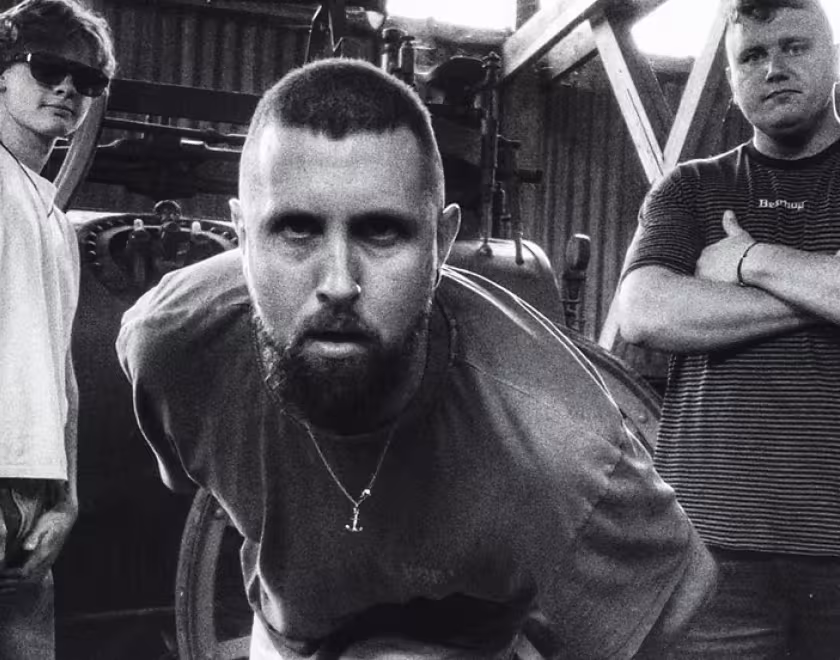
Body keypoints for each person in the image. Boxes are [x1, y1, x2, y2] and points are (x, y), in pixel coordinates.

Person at [117, 58, 716, 659]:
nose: (338, 283)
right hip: (291, 634)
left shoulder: (560, 448)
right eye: (295, 231)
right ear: (241, 236)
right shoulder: (173, 344)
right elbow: (186, 472)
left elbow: (676, 603)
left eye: (381, 232)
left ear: (442, 243)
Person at [617, 0, 840, 657]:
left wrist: (750, 260)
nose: (774, 69)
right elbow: (645, 310)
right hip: (711, 554)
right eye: (752, 56)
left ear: (831, 57)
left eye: (794, 48)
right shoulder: (690, 190)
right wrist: (821, 290)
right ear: (731, 78)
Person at [0, 0, 115, 657]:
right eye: (48, 69)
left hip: (32, 502)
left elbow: (61, 374)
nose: (68, 88)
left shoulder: (51, 219)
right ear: (2, 73)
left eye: (87, 80)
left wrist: (65, 501)